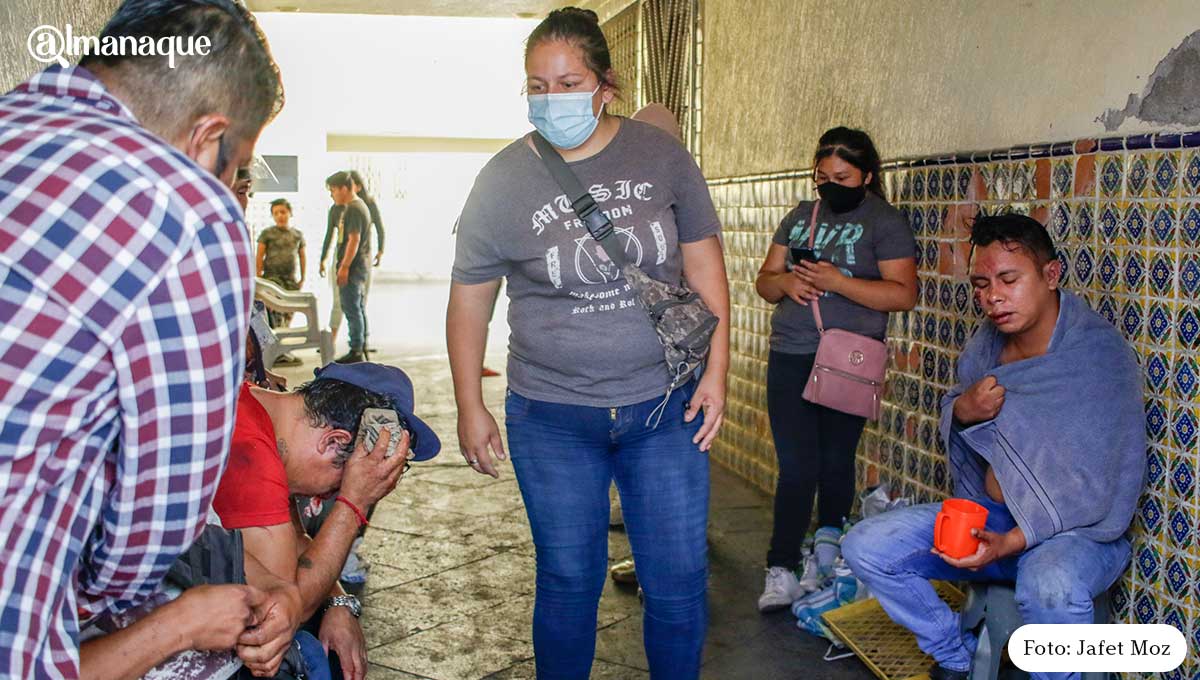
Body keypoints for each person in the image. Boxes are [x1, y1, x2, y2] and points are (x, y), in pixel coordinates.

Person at [0, 0, 284, 675]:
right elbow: (156, 520)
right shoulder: (190, 212)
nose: (230, 188)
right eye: (237, 166)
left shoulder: (15, 124)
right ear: (208, 138)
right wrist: (103, 602)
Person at [447, 8, 729, 678]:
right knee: (569, 582)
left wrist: (717, 373)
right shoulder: (501, 180)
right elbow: (469, 302)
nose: (552, 100)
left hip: (665, 407)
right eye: (537, 86)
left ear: (605, 83)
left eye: (568, 83)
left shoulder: (661, 157)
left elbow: (706, 273)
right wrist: (468, 405)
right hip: (551, 414)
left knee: (677, 584)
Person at [843, 214, 1146, 680]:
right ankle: (955, 654)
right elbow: (960, 410)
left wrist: (1012, 542)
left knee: (1050, 583)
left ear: (1051, 274)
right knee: (867, 545)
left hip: (1080, 538)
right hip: (996, 522)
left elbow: (1096, 492)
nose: (993, 298)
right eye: (981, 285)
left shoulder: (1095, 356)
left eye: (1009, 280)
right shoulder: (987, 346)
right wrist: (965, 410)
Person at [754, 127, 917, 612]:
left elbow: (903, 294)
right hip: (791, 352)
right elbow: (764, 281)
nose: (830, 186)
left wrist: (837, 282)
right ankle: (781, 566)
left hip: (849, 357)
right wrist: (787, 283)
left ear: (866, 176)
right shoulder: (800, 216)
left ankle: (825, 559)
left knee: (835, 461)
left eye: (842, 178)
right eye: (822, 177)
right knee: (797, 466)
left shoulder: (884, 222)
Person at [212, 362, 441, 680]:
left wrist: (339, 600)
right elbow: (280, 611)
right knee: (304, 657)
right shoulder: (249, 451)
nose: (328, 496)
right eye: (339, 484)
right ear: (332, 441)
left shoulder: (259, 407)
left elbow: (295, 540)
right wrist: (354, 503)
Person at [323, 171, 373, 364]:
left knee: (351, 308)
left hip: (353, 268)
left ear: (344, 188)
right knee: (357, 307)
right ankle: (360, 346)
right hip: (358, 267)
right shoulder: (358, 206)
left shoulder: (354, 209)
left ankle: (356, 350)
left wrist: (344, 267)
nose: (332, 195)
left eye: (333, 190)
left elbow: (354, 240)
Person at [257, 198, 308, 367]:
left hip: (290, 281)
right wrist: (259, 278)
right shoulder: (267, 234)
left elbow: (302, 256)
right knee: (275, 313)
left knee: (288, 315)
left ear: (290, 213)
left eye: (283, 212)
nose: (280, 215)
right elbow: (259, 256)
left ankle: (282, 349)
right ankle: (277, 351)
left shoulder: (297, 235)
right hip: (272, 280)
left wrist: (303, 277)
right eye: (276, 213)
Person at [349, 170, 384, 357]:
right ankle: (356, 343)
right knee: (350, 302)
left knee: (360, 301)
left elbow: (379, 227)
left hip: (363, 256)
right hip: (350, 256)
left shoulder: (367, 204)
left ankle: (361, 343)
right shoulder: (346, 205)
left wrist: (380, 250)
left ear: (358, 185)